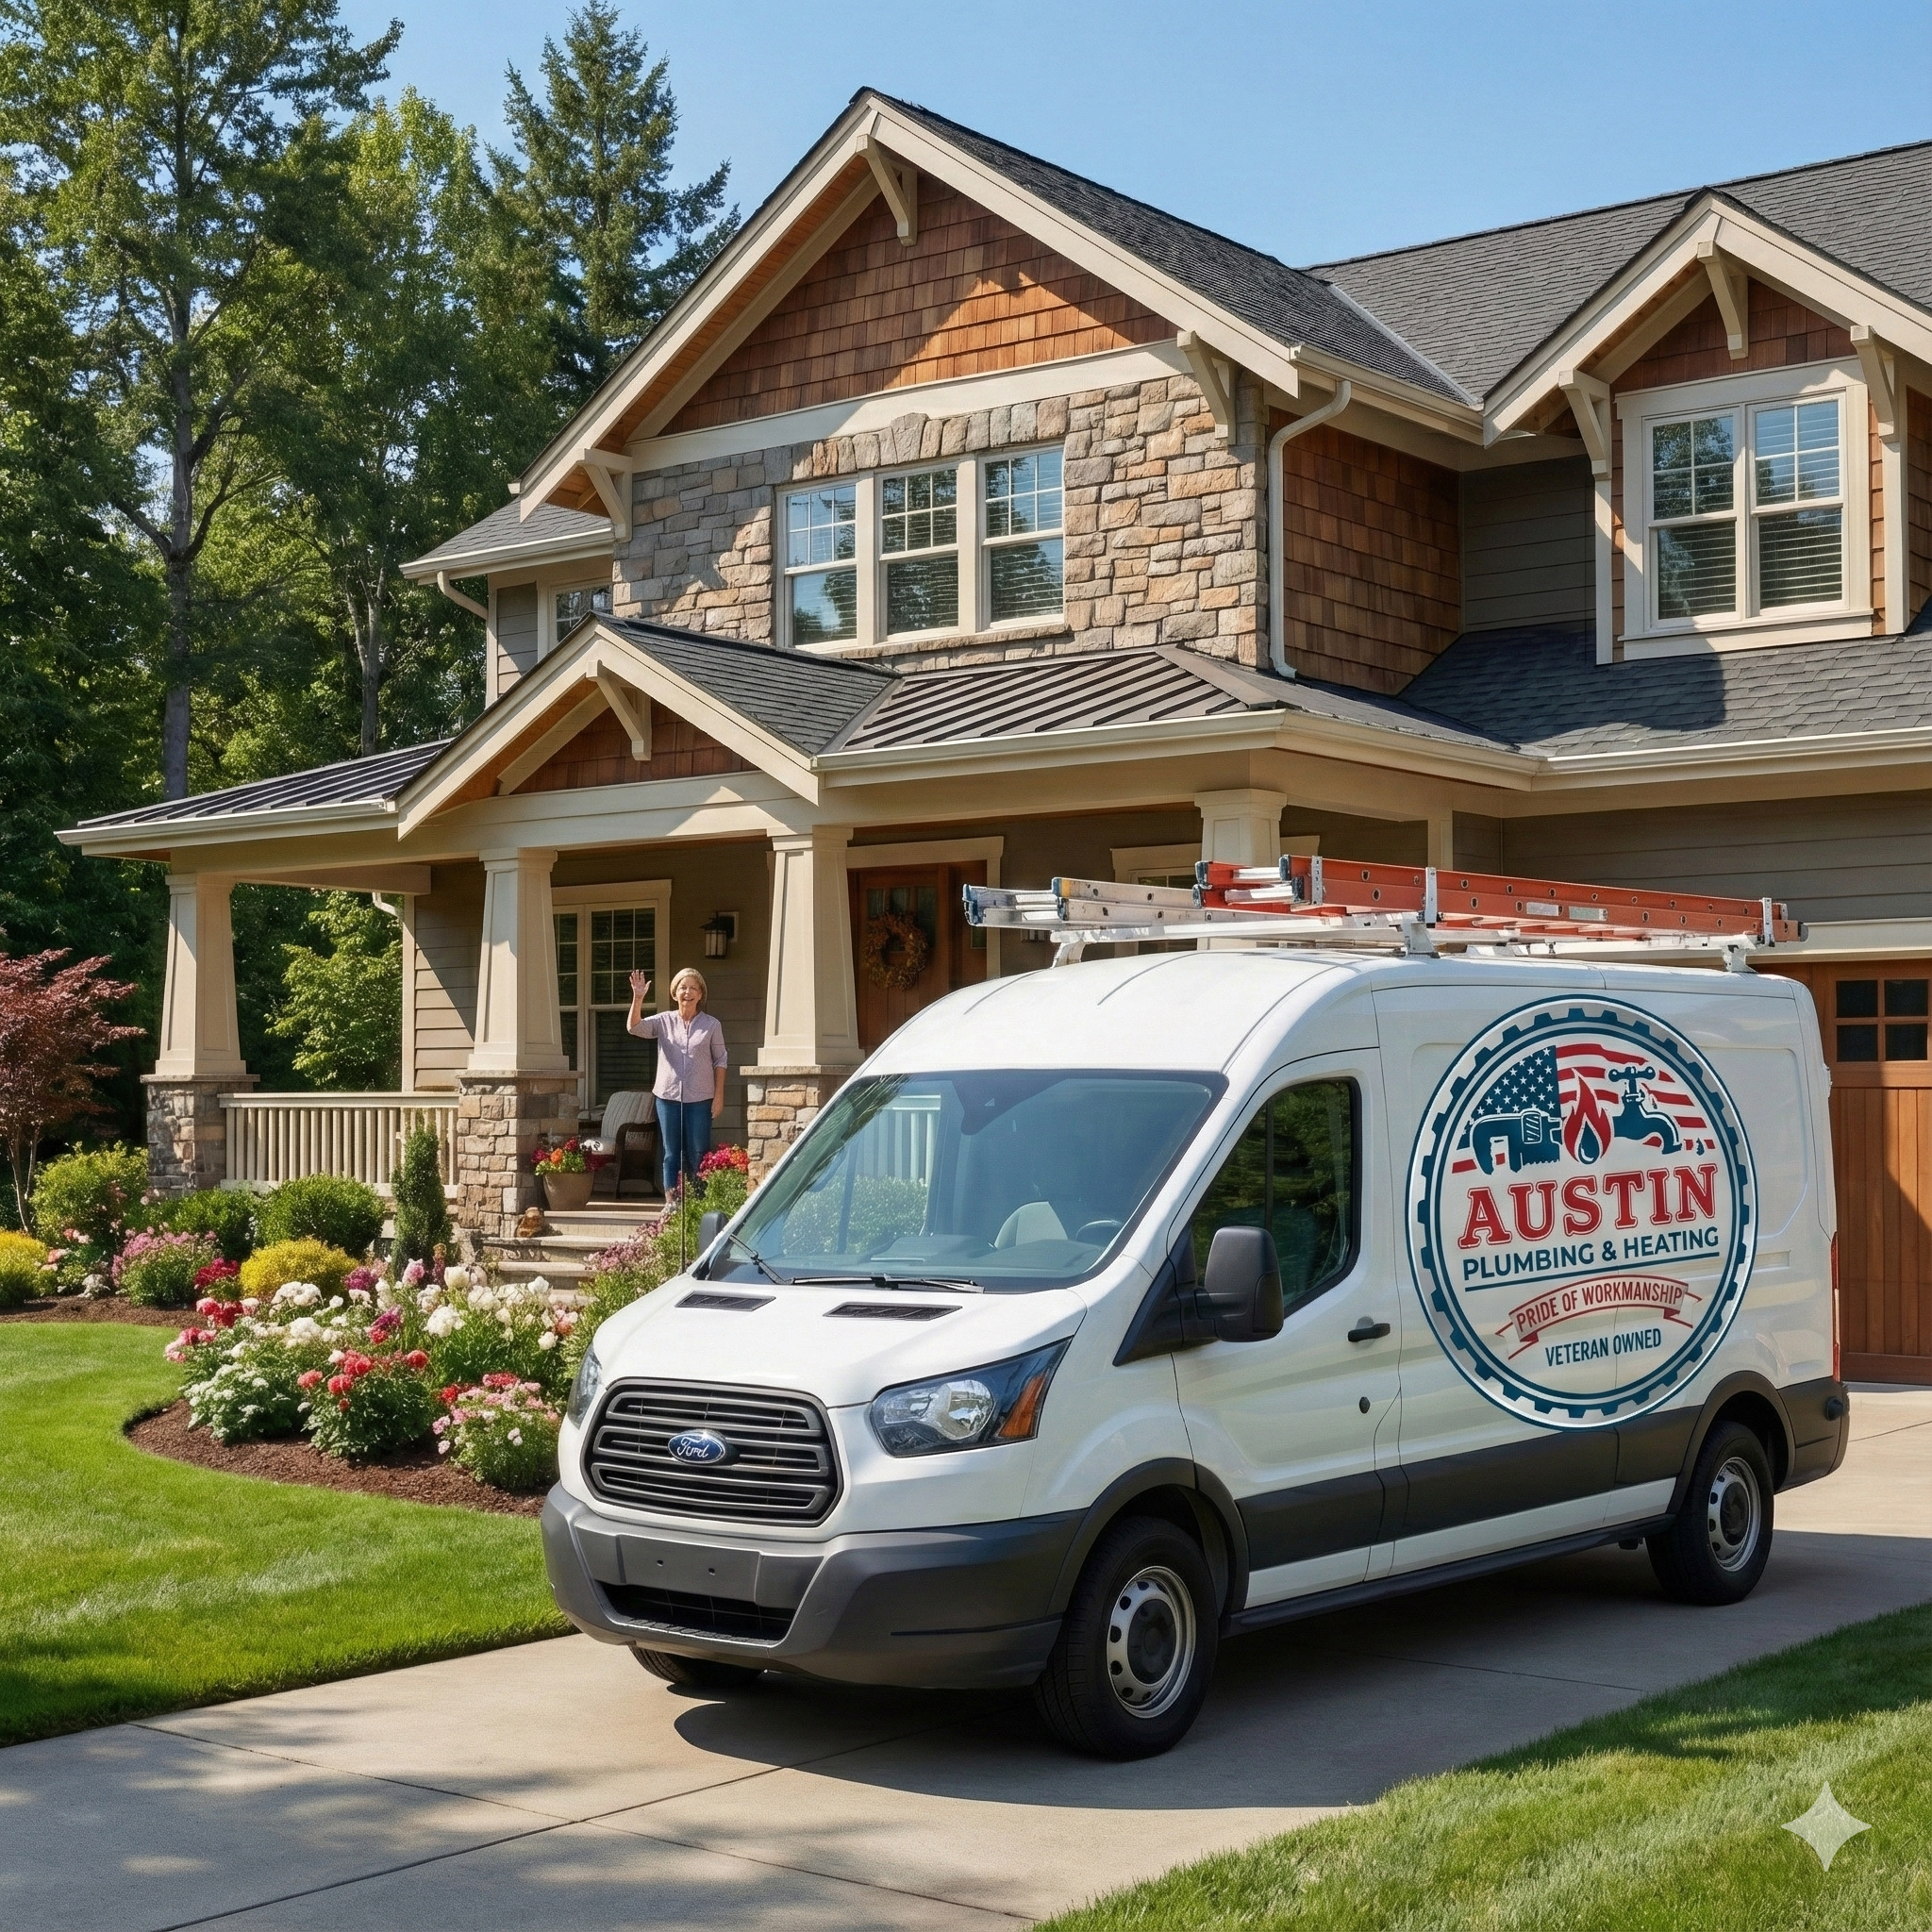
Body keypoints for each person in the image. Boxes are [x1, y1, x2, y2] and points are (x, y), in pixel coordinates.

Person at [625, 967, 728, 1197]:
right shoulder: (664, 1021)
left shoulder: (711, 1025)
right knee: (671, 1154)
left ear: (700, 994)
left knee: (698, 1153)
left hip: (701, 1099)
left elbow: (721, 1060)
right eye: (683, 987)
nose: (687, 992)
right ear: (674, 993)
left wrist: (719, 1096)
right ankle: (672, 1203)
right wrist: (638, 998)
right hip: (668, 1098)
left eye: (693, 988)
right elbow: (634, 1028)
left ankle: (698, 1202)